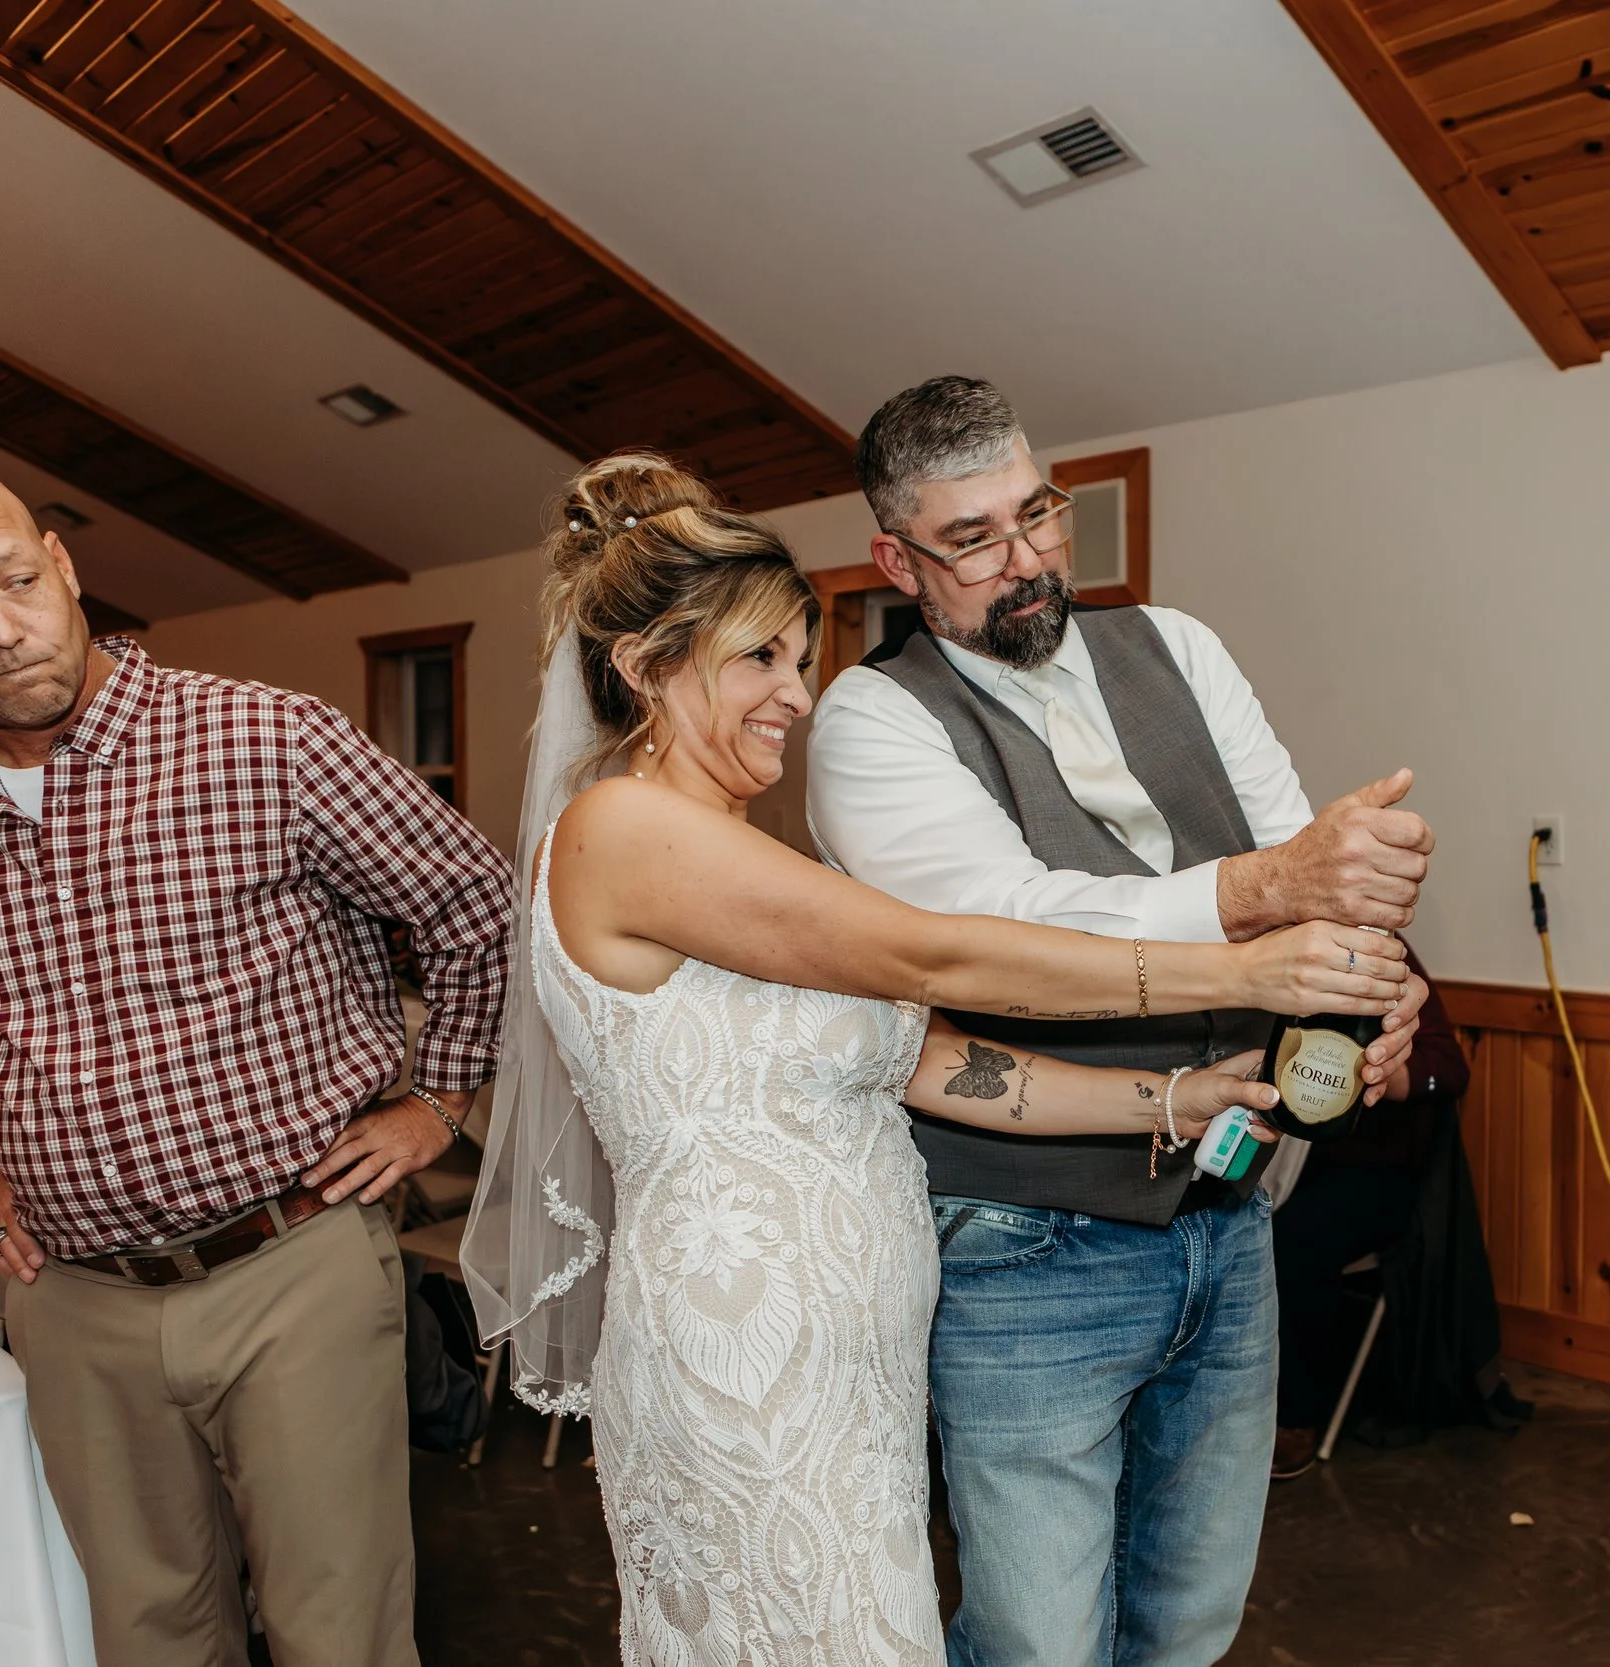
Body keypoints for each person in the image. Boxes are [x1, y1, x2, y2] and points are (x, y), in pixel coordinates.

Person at [462, 452, 1416, 1667]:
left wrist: (1174, 1095)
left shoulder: (730, 855)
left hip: (854, 1354)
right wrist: (1245, 969)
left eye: (798, 660)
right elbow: (945, 956)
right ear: (647, 666)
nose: (796, 696)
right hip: (748, 1350)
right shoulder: (622, 828)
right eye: (759, 658)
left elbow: (937, 1062)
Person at [806, 375, 1435, 1665]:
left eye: (1041, 516)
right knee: (1040, 1639)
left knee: (1192, 1614)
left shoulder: (1179, 646)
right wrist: (1270, 894)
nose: (1029, 561)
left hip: (1231, 1206)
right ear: (897, 559)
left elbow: (1296, 849)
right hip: (1025, 1240)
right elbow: (1005, 931)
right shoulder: (870, 723)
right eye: (974, 540)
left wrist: (1377, 970)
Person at [0, 456, 512, 1667]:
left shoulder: (265, 739)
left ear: (64, 567)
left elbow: (475, 906)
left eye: (16, 578)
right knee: (149, 1634)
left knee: (341, 1635)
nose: (2, 629)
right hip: (71, 1296)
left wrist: (438, 1100)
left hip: (290, 1262)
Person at [1268, 946, 1470, 1478]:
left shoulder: (1383, 958)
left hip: (1369, 1173)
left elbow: (1449, 1069)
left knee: (1296, 1237)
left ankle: (1295, 1417)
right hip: (1273, 1159)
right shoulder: (1258, 954)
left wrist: (1372, 1076)